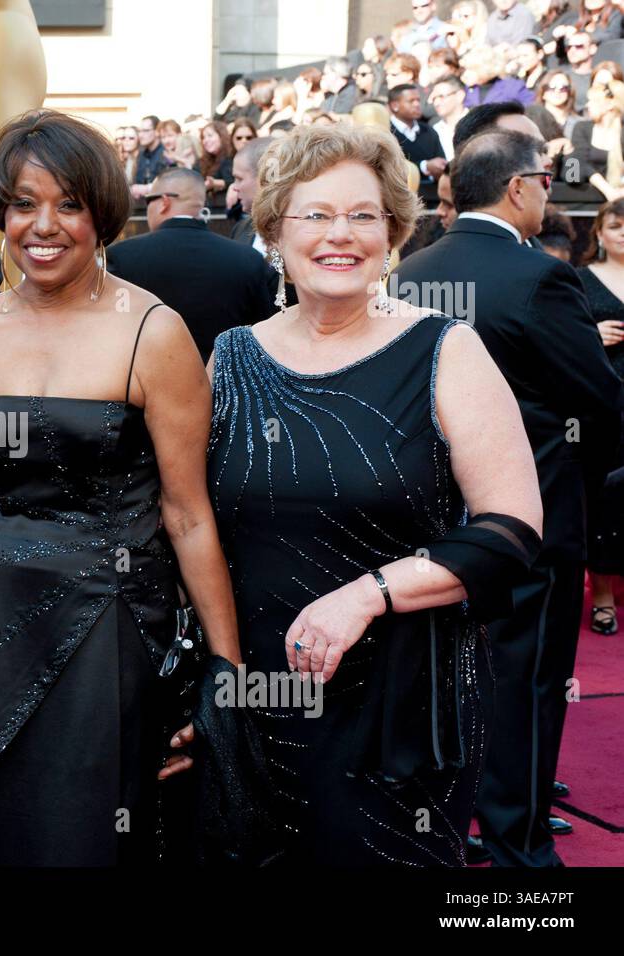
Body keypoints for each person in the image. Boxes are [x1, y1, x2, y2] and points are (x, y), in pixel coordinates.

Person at [0, 109, 241, 866]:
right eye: (24, 203)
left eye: (69, 204)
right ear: (2, 212)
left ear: (103, 213)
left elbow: (187, 515)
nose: (43, 226)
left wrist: (228, 671)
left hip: (111, 629)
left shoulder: (154, 333)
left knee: (84, 834)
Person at [210, 121, 541, 866]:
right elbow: (190, 521)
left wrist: (367, 594)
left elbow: (513, 528)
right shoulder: (230, 356)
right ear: (274, 230)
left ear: (393, 233)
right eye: (317, 215)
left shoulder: (445, 347)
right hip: (257, 698)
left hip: (400, 709)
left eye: (364, 216)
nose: (342, 234)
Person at [397, 128, 622, 867]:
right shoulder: (538, 278)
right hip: (528, 517)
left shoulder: (409, 270)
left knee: (439, 672)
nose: (549, 193)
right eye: (547, 179)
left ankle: (441, 821)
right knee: (525, 679)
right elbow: (595, 397)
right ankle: (517, 844)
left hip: (425, 512)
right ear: (520, 187)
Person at [109, 167, 274, 361]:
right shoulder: (249, 258)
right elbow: (267, 330)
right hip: (229, 386)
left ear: (164, 202)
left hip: (148, 384)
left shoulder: (121, 256)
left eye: (148, 200)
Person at [578, 197, 624, 633]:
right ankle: (604, 596)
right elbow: (561, 341)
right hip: (602, 403)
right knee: (602, 498)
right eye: (615, 225)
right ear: (599, 232)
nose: (623, 232)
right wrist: (593, 337)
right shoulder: (579, 280)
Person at [568, 79, 624, 199]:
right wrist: (608, 190)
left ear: (610, 105)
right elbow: (575, 167)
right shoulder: (582, 128)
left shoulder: (621, 132)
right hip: (587, 199)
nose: (587, 105)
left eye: (592, 101)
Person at [389, 83, 449, 179]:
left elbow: (442, 163)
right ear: (395, 105)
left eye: (418, 100)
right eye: (411, 101)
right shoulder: (385, 133)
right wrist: (424, 166)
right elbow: (389, 168)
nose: (417, 104)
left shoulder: (429, 131)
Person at [429, 75, 470, 158]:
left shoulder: (478, 123)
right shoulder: (434, 130)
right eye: (434, 98)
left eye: (441, 96)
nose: (436, 103)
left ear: (460, 95)